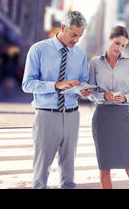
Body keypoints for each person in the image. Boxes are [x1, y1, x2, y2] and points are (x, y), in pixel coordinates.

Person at [22, 11, 91, 189]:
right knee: (41, 170)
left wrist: (85, 90)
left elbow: (83, 80)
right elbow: (27, 84)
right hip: (46, 116)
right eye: (74, 34)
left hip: (72, 115)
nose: (76, 40)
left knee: (68, 170)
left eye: (80, 36)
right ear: (62, 28)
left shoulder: (80, 54)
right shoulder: (38, 50)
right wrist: (56, 85)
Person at [87, 25, 129, 189]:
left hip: (122, 118)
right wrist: (103, 96)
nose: (119, 48)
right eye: (117, 43)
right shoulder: (95, 63)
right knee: (105, 169)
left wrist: (125, 97)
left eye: (123, 45)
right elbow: (91, 92)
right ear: (110, 38)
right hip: (102, 118)